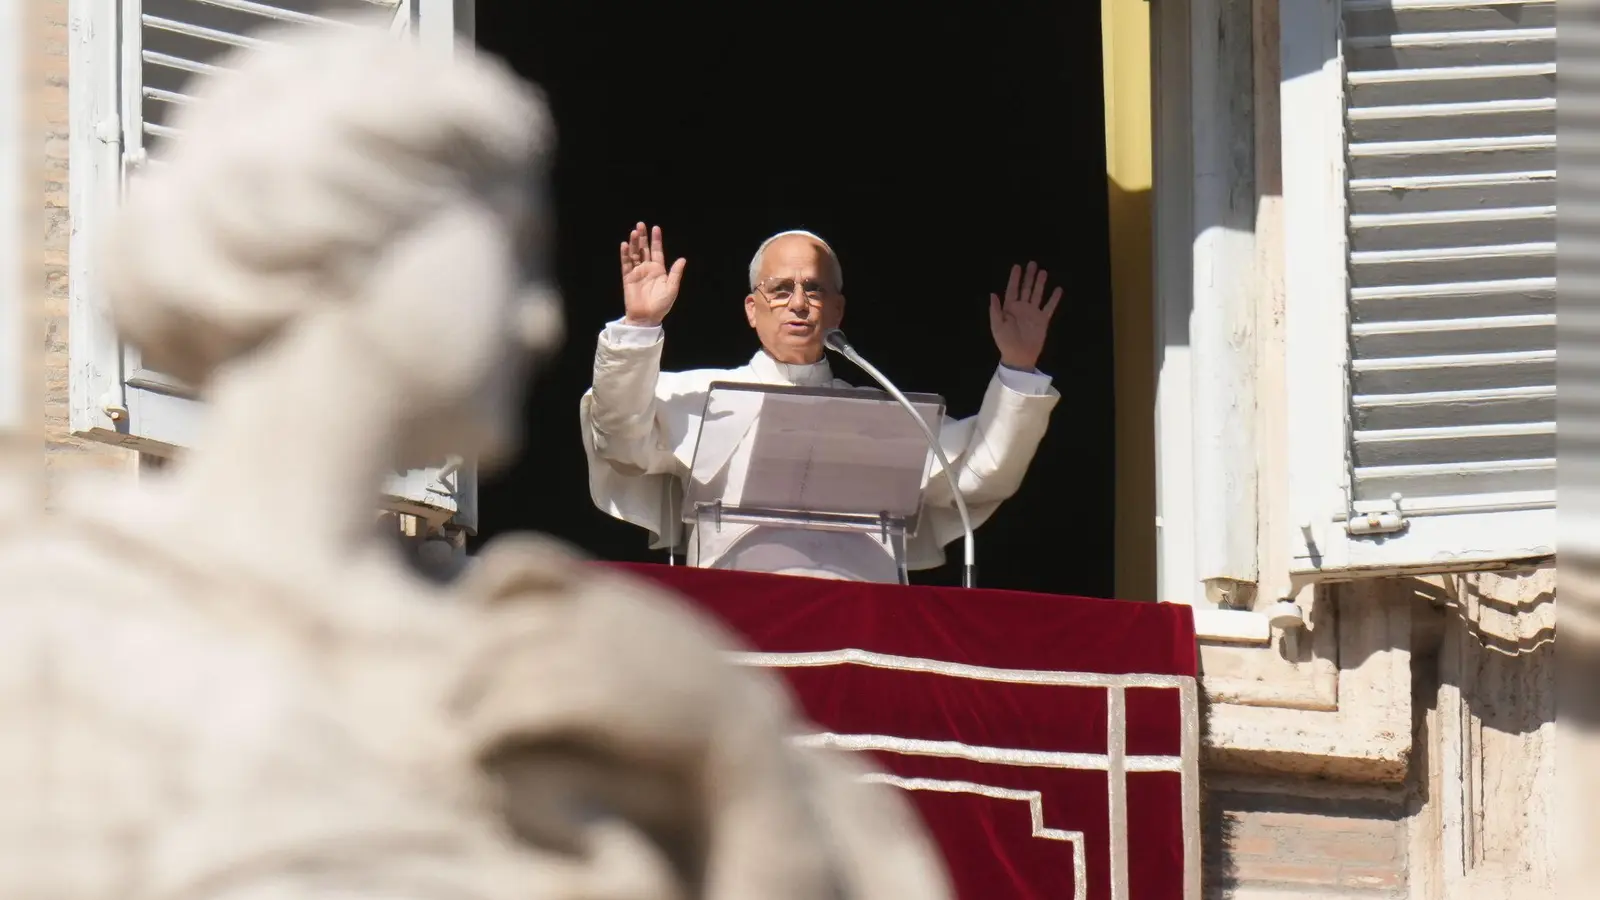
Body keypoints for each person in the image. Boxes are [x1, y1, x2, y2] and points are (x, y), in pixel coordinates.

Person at [581, 222, 1063, 581]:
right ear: (752, 309)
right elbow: (621, 439)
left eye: (814, 289)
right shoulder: (698, 394)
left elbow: (977, 475)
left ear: (837, 309)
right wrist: (640, 328)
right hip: (745, 629)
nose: (798, 303)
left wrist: (1017, 369)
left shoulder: (886, 412)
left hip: (865, 633)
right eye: (780, 290)